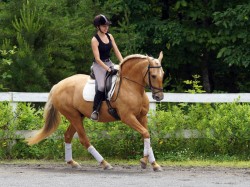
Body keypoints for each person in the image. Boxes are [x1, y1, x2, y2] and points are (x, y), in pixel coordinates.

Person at [90, 14, 123, 121]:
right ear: (98, 27)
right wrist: (108, 69)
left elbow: (116, 50)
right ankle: (95, 110)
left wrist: (123, 62)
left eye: (107, 26)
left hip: (109, 63)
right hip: (99, 66)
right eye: (104, 26)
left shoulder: (110, 36)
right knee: (102, 87)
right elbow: (98, 59)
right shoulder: (94, 40)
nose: (106, 27)